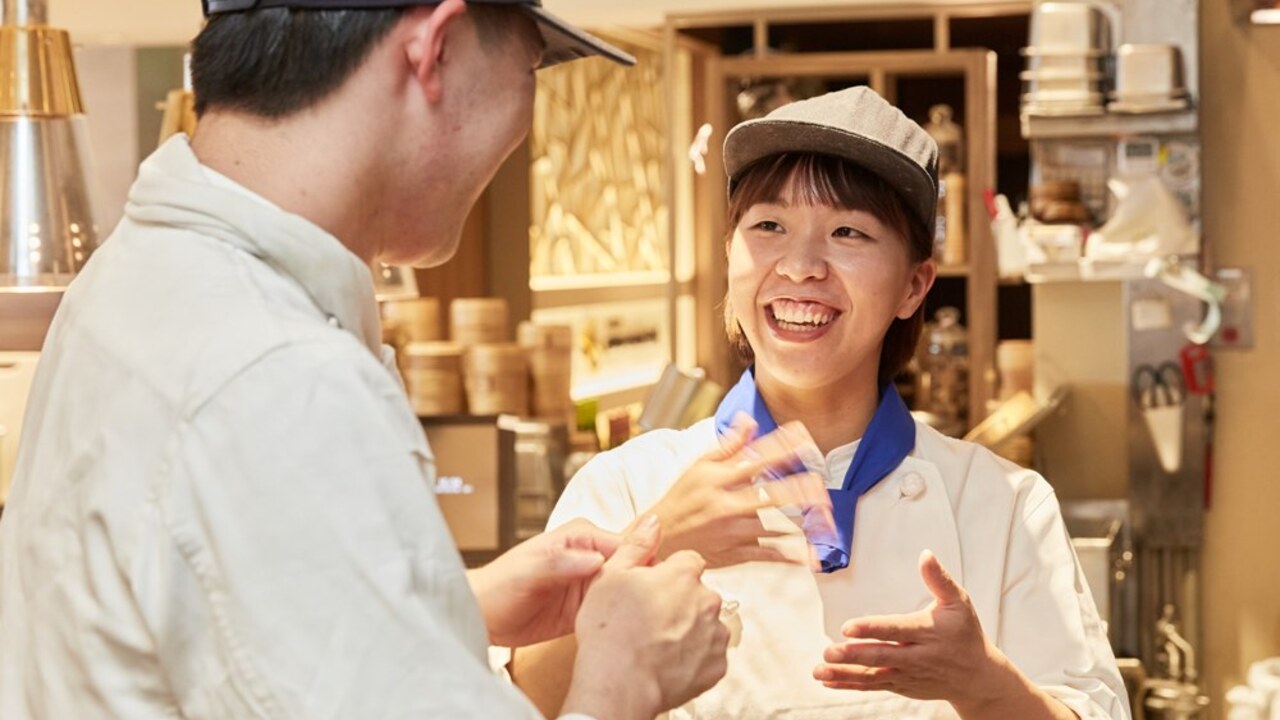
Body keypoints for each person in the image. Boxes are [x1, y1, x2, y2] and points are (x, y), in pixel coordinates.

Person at [0, 2, 791, 718]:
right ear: (435, 49)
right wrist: (622, 684)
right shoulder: (279, 375)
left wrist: (452, 604)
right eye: (528, 73)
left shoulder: (135, 276)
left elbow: (196, 615)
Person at [513, 87, 1132, 720]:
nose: (801, 266)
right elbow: (513, 704)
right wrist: (657, 543)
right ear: (729, 253)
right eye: (769, 226)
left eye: (848, 231)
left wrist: (984, 685)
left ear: (915, 285)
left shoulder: (1004, 506)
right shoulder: (630, 487)